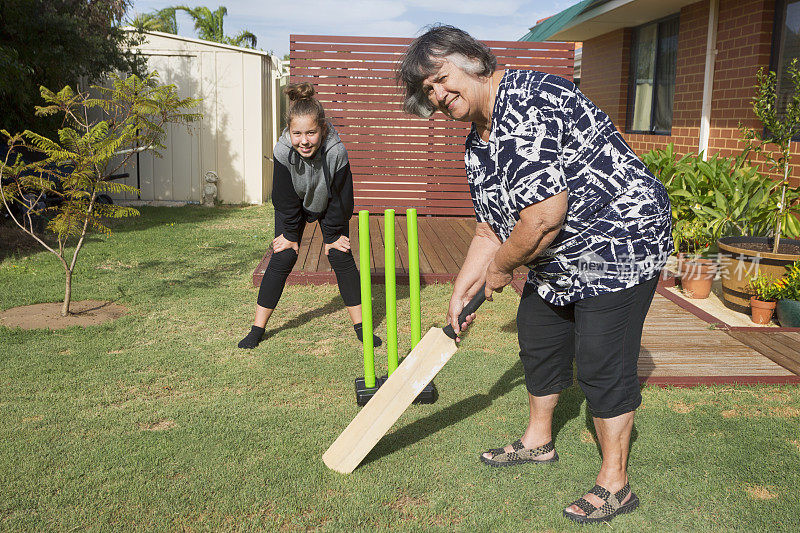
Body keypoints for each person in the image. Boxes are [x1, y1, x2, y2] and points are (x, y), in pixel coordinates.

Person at [397, 26, 672, 524]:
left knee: (598, 360)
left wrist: (501, 269)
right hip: (559, 249)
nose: (437, 96)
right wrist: (465, 285)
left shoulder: (527, 101)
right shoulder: (477, 144)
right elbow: (490, 226)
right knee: (539, 334)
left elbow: (543, 216)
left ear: (471, 61)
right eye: (428, 92)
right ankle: (538, 441)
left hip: (619, 239)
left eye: (440, 79)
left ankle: (615, 483)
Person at [239, 82, 381, 350]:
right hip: (293, 204)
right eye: (297, 133)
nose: (304, 140)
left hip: (329, 203)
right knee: (283, 255)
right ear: (290, 132)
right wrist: (290, 235)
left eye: (311, 133)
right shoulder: (282, 151)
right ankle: (257, 329)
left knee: (340, 254)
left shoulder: (336, 151)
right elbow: (283, 197)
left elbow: (342, 196)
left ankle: (361, 328)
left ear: (322, 129)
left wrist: (332, 235)